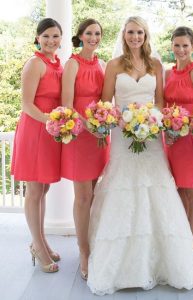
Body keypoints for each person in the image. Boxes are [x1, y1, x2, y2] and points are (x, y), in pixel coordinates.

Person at [87, 16, 193, 295]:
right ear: (124, 35)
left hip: (150, 135)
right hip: (123, 137)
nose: (135, 37)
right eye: (130, 32)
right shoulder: (113, 65)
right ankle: (121, 265)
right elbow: (106, 101)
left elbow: (160, 100)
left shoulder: (156, 64)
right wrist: (125, 121)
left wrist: (150, 120)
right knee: (123, 189)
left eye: (139, 32)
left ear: (146, 35)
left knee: (156, 189)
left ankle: (163, 261)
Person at [11, 18, 63, 273]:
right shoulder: (34, 64)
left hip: (50, 132)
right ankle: (38, 247)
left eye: (55, 37)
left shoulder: (56, 64)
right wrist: (51, 119)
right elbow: (27, 104)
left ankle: (40, 241)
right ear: (37, 38)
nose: (51, 41)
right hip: (35, 130)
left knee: (43, 190)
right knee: (33, 192)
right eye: (46, 37)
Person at [61, 18, 109, 280]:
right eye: (89, 33)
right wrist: (90, 127)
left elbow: (106, 100)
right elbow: (67, 105)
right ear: (80, 36)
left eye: (97, 33)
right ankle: (83, 251)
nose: (93, 37)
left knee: (94, 194)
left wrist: (104, 123)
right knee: (82, 197)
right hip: (80, 136)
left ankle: (93, 242)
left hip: (99, 138)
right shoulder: (72, 64)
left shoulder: (102, 65)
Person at [164, 26, 193, 246]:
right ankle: (181, 234)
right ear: (171, 46)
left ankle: (190, 240)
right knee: (179, 189)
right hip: (172, 141)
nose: (181, 50)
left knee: (192, 190)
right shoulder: (168, 73)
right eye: (177, 45)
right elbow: (163, 107)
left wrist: (187, 128)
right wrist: (168, 131)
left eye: (185, 45)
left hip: (190, 140)